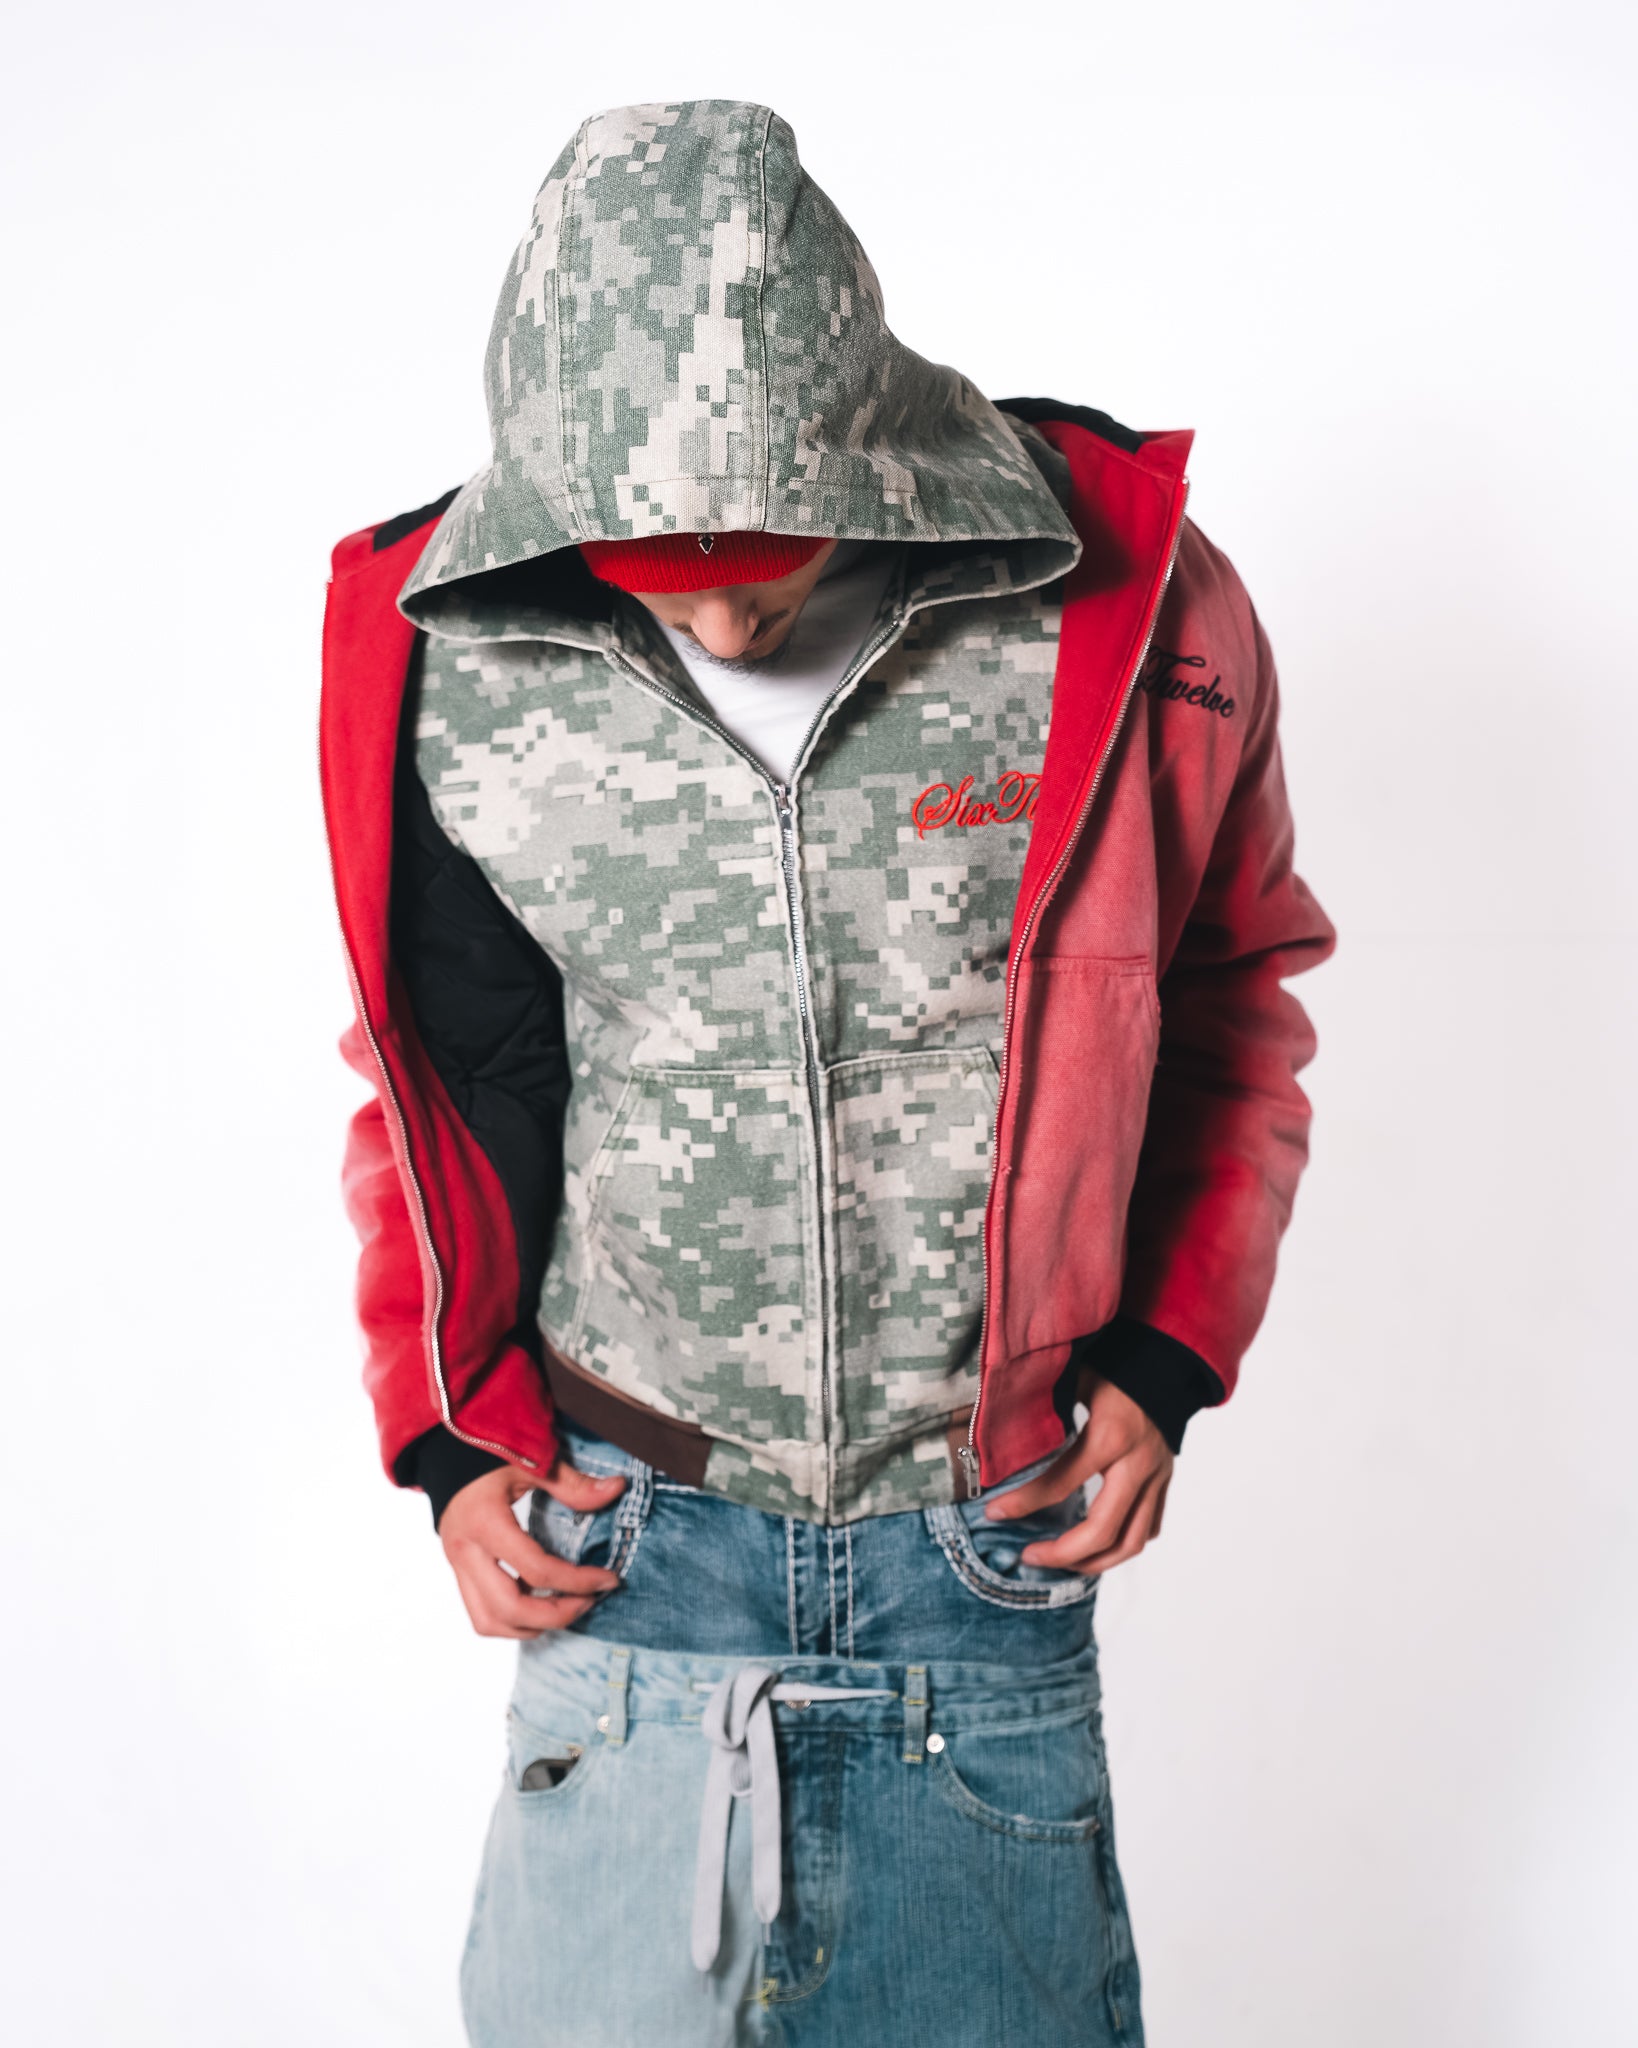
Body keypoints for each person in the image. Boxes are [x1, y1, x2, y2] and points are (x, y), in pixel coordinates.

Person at [319, 97, 1334, 2047]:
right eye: (656, 562)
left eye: (758, 550)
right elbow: (432, 1075)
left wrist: (1169, 1350)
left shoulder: (1130, 605)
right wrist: (444, 1430)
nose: (718, 614)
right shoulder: (438, 660)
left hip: (985, 1547)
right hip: (627, 1540)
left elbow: (1235, 989)